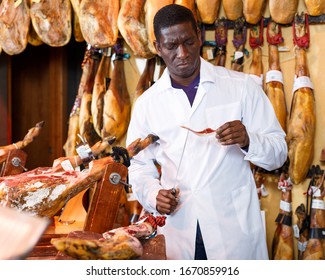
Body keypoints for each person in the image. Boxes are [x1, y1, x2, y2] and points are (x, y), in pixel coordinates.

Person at [126, 4, 287, 260]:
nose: (182, 53)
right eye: (171, 46)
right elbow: (138, 167)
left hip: (233, 231)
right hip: (179, 230)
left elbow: (278, 154)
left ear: (199, 36)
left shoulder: (242, 87)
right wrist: (154, 195)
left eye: (189, 42)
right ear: (158, 47)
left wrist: (248, 140)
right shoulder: (148, 103)